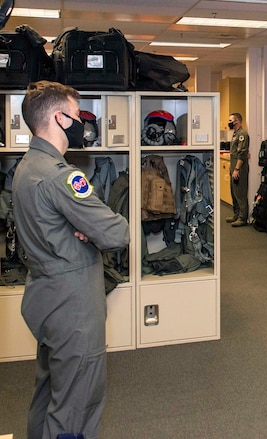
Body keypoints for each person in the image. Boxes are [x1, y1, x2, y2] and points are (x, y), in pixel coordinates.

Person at [13, 80, 131, 439]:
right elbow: (117, 232)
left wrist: (84, 225)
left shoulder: (27, 166)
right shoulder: (60, 176)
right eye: (77, 116)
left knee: (49, 393)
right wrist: (91, 227)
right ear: (59, 118)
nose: (83, 124)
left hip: (46, 297)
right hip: (73, 304)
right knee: (77, 406)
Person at [225, 112, 250, 227]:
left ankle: (242, 217)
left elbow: (242, 154)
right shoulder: (235, 134)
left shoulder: (242, 134)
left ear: (237, 121)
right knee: (234, 192)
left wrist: (237, 169)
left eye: (231, 121)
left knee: (240, 192)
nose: (229, 123)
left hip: (240, 168)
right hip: (234, 166)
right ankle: (236, 214)